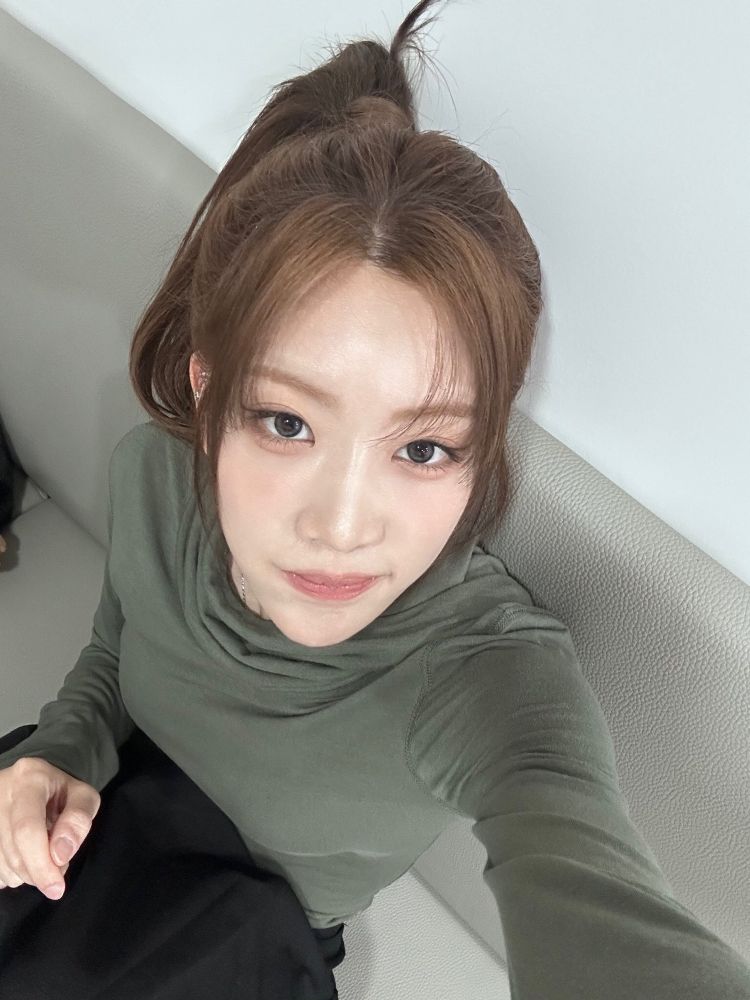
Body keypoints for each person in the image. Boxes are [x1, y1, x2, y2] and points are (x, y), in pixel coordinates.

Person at [1, 0, 749, 997]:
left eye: (425, 447)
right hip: (72, 830)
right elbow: (114, 651)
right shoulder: (153, 475)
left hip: (232, 937)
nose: (342, 525)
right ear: (205, 390)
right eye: (286, 423)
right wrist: (59, 755)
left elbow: (590, 880)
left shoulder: (486, 675)